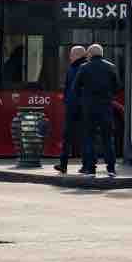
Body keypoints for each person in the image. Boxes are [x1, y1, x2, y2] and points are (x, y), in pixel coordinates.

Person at [74, 43, 120, 177]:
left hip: (89, 108)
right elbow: (117, 87)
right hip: (106, 108)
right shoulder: (111, 67)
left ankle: (90, 168)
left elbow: (75, 88)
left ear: (90, 54)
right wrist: (108, 96)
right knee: (108, 139)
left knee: (89, 138)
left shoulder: (84, 67)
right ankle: (111, 169)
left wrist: (83, 99)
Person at [53, 45, 87, 174]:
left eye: (72, 54)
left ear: (77, 55)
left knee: (67, 136)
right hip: (84, 107)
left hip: (73, 107)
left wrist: (67, 101)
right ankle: (86, 165)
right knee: (85, 136)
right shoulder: (85, 67)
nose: (70, 57)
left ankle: (63, 164)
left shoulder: (73, 69)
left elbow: (68, 88)